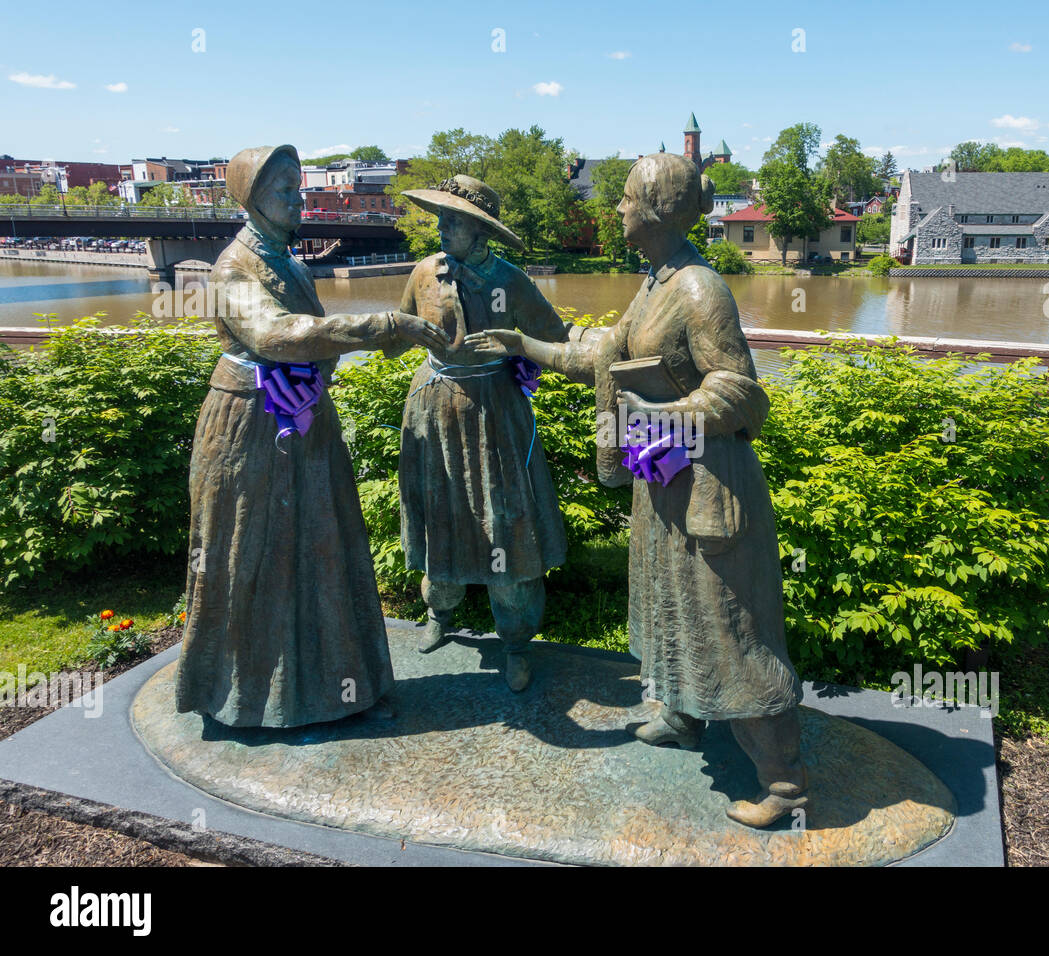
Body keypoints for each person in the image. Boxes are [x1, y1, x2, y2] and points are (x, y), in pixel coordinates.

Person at [466, 153, 809, 827]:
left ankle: (786, 786)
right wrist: (523, 344)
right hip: (666, 481)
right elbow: (601, 353)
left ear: (651, 212)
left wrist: (660, 420)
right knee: (672, 610)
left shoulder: (700, 289)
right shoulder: (655, 282)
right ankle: (683, 715)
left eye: (624, 199)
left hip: (708, 484)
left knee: (730, 630)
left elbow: (739, 393)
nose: (616, 210)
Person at [175, 144, 446, 728]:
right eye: (284, 190)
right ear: (249, 197)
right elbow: (275, 334)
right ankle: (245, 699)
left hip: (307, 421)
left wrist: (324, 366)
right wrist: (383, 325)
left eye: (299, 187)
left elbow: (313, 340)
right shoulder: (230, 270)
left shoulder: (292, 263)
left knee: (321, 544)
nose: (298, 199)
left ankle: (328, 689)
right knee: (250, 549)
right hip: (251, 425)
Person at [395, 177, 570, 692]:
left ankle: (516, 642)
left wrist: (519, 351)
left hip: (495, 412)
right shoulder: (425, 272)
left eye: (453, 219)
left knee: (506, 525)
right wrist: (395, 333)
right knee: (441, 513)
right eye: (441, 217)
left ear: (479, 228)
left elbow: (554, 338)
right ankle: (440, 614)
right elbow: (400, 326)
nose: (442, 226)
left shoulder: (511, 281)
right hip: (433, 406)